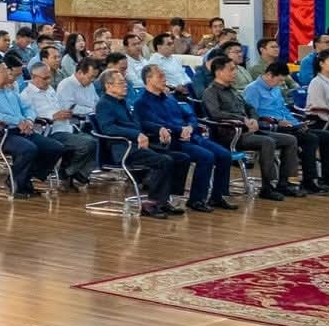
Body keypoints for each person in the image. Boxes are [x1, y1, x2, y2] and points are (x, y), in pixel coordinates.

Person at [202, 56, 300, 200]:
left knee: (290, 140)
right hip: (230, 135)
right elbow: (216, 114)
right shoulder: (210, 92)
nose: (235, 73)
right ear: (218, 72)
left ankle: (284, 184)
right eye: (231, 70)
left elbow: (249, 107)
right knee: (267, 142)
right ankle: (267, 187)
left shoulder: (232, 90)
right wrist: (243, 120)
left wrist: (253, 118)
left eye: (235, 69)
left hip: (248, 131)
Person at [136, 65, 231, 212]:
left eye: (164, 76)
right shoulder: (142, 103)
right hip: (173, 141)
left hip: (191, 135)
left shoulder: (169, 99)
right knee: (206, 156)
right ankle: (196, 200)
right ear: (148, 80)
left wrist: (190, 127)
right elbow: (157, 123)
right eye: (160, 76)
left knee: (225, 154)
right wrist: (181, 130)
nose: (164, 79)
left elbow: (190, 115)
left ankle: (217, 197)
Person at [0, 57, 67, 197]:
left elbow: (28, 108)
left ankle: (24, 177)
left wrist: (28, 120)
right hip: (0, 134)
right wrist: (18, 121)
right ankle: (18, 185)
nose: (8, 73)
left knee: (55, 147)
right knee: (28, 149)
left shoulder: (10, 91)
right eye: (4, 70)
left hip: (21, 130)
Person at [244, 61, 329, 193]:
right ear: (269, 75)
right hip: (269, 127)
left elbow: (284, 110)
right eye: (279, 80)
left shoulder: (276, 88)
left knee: (327, 136)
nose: (280, 84)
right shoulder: (252, 89)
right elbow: (252, 114)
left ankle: (327, 177)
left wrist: (297, 123)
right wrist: (277, 121)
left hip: (287, 125)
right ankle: (308, 181)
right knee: (310, 139)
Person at [93, 71, 181, 216]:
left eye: (125, 82)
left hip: (138, 144)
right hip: (123, 148)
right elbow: (108, 128)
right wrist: (136, 134)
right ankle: (152, 203)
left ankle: (164, 200)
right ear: (108, 86)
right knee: (164, 161)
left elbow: (139, 124)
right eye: (121, 83)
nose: (125, 86)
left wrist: (158, 128)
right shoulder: (104, 104)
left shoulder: (122, 102)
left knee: (180, 158)